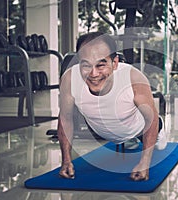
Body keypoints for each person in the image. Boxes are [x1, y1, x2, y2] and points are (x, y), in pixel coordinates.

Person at [57, 32, 167, 181]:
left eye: (101, 65)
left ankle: (155, 129)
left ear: (114, 63)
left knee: (155, 137)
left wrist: (144, 163)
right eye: (86, 65)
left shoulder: (133, 77)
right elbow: (65, 119)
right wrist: (66, 160)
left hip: (137, 128)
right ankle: (126, 140)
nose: (93, 73)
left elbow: (150, 118)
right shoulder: (70, 78)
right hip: (102, 129)